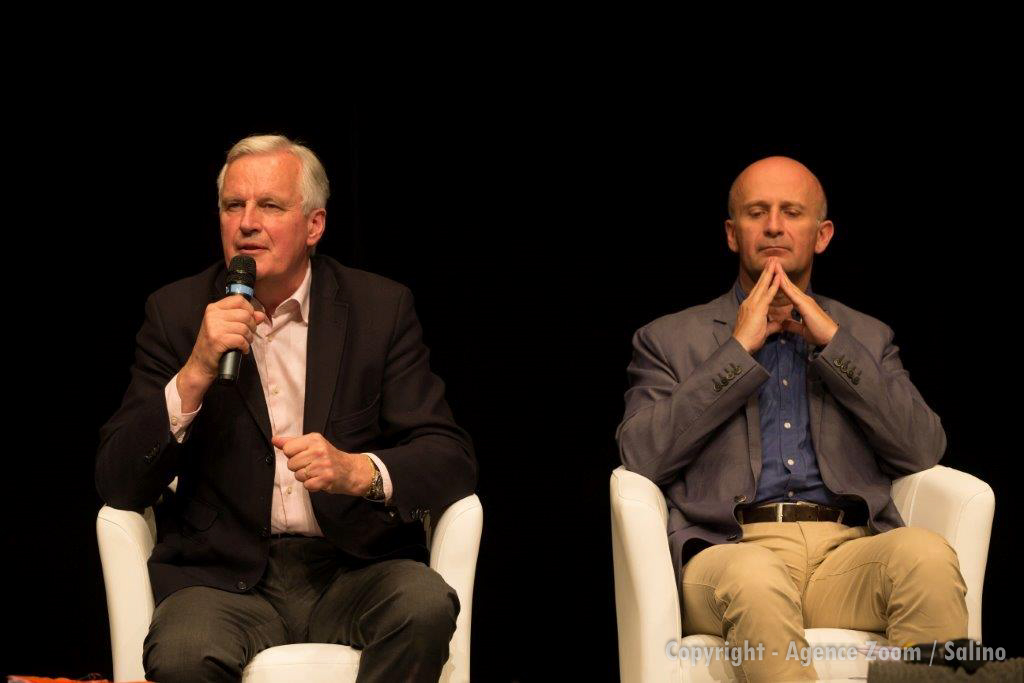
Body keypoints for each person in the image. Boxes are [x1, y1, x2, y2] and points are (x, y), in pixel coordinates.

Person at [95, 134, 477, 683]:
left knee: (423, 607)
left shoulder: (378, 308)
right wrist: (196, 370)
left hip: (351, 567)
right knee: (182, 652)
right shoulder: (176, 313)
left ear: (314, 225)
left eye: (269, 205)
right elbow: (117, 481)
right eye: (233, 205)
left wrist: (359, 471)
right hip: (224, 579)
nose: (247, 223)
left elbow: (449, 457)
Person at [615, 156, 968, 681]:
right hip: (730, 553)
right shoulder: (668, 339)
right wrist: (737, 351)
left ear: (821, 235)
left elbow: (922, 448)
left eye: (792, 212)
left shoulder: (866, 337)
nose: (775, 226)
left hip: (846, 555)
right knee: (756, 576)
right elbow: (642, 456)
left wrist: (835, 346)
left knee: (927, 556)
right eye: (758, 212)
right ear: (733, 234)